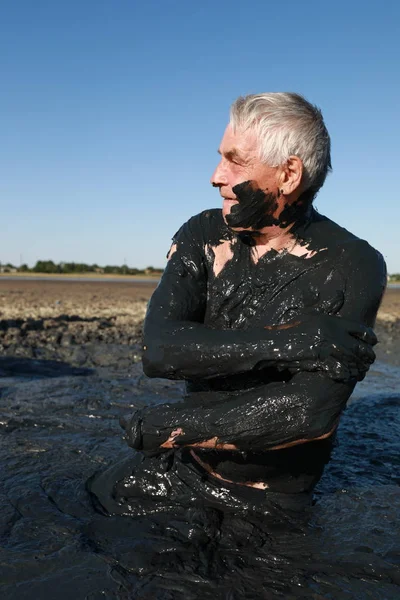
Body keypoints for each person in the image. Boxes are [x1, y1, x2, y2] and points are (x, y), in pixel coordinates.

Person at [91, 93, 386, 513]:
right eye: (220, 158)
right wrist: (293, 342)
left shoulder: (353, 264)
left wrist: (173, 427)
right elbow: (159, 349)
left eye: (235, 161)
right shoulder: (204, 235)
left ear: (288, 174)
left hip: (270, 499)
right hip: (179, 468)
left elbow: (311, 412)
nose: (216, 176)